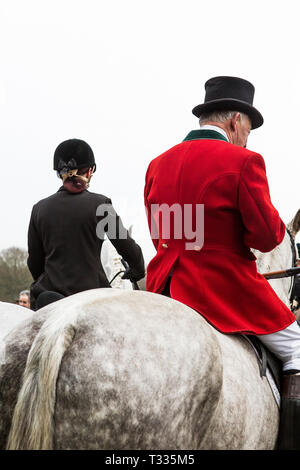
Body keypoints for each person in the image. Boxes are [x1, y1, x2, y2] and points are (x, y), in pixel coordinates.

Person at [144, 76, 300, 449]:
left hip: (164, 287)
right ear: (234, 122)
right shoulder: (244, 162)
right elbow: (267, 237)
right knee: (297, 346)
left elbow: (157, 233)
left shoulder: (157, 164)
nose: (248, 136)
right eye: (248, 127)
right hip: (223, 288)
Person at [27, 138, 145, 310]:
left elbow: (34, 263)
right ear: (89, 171)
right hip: (91, 296)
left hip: (49, 297)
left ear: (60, 173)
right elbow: (128, 249)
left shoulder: (39, 209)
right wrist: (137, 270)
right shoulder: (100, 205)